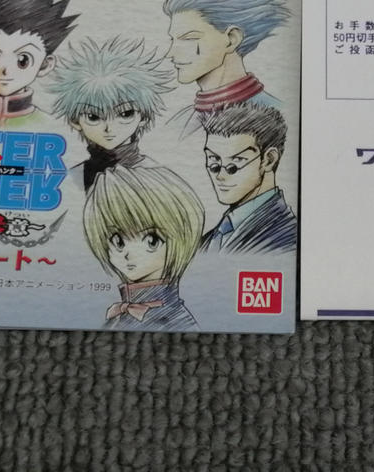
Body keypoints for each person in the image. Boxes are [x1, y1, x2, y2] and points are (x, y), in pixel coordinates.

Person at [82, 165, 205, 331]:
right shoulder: (119, 315)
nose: (128, 253)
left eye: (151, 241)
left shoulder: (176, 322)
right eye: (118, 241)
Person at [46, 36, 174, 190]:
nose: (109, 128)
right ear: (75, 121)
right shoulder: (72, 177)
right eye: (93, 117)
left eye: (126, 114)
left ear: (143, 117)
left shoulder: (157, 176)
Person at [162, 0, 291, 116]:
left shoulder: (277, 116)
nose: (170, 54)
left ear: (231, 39)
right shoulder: (182, 119)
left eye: (189, 38)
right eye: (172, 39)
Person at [198, 103, 296, 254]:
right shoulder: (210, 239)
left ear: (269, 160)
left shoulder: (286, 240)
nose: (220, 176)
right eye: (214, 161)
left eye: (235, 163)